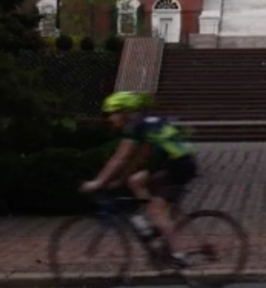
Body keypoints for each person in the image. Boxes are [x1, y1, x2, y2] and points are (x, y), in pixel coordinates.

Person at [81, 91, 198, 262]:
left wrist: (98, 182)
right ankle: (153, 226)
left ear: (124, 112)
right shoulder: (146, 122)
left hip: (178, 165)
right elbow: (141, 157)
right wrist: (119, 180)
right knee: (135, 181)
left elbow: (119, 159)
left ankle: (177, 255)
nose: (109, 119)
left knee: (158, 210)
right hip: (176, 162)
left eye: (112, 113)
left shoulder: (135, 126)